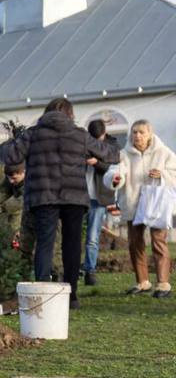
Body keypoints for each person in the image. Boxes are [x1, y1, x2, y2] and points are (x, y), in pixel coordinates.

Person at [0, 98, 118, 308]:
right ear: (70, 114)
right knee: (71, 245)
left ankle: (43, 293)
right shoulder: (79, 134)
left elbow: (8, 155)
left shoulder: (33, 134)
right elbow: (112, 154)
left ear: (46, 113)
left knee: (45, 243)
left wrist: (13, 138)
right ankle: (71, 297)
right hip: (74, 196)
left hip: (43, 196)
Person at [112, 119, 176, 297]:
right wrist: (116, 179)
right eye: (134, 132)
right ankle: (143, 282)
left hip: (156, 205)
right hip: (133, 204)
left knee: (159, 242)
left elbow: (175, 172)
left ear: (150, 134)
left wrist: (162, 174)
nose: (137, 135)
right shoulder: (124, 154)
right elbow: (117, 173)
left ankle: (163, 284)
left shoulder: (163, 153)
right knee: (135, 243)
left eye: (141, 132)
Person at [82, 119, 120, 287]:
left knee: (92, 237)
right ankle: (73, 268)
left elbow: (114, 170)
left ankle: (90, 271)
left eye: (99, 139)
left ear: (104, 133)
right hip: (79, 195)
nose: (96, 143)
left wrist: (96, 163)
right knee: (74, 235)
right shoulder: (83, 142)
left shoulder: (112, 146)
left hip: (98, 198)